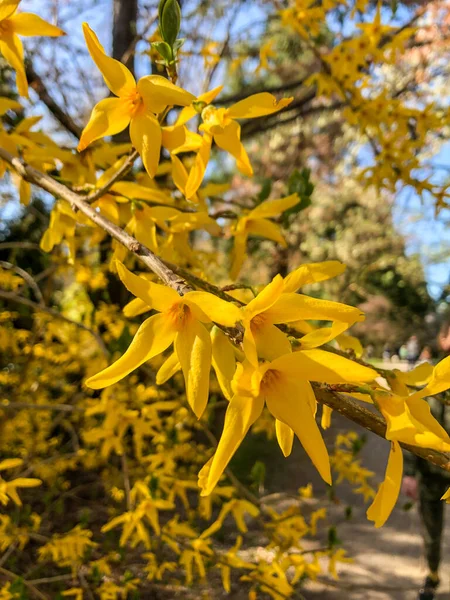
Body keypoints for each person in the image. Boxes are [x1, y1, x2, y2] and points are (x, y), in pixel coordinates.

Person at [402, 323, 450, 599]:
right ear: (442, 339)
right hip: (431, 474)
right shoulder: (426, 379)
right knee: (431, 533)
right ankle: (431, 576)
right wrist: (409, 472)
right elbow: (413, 428)